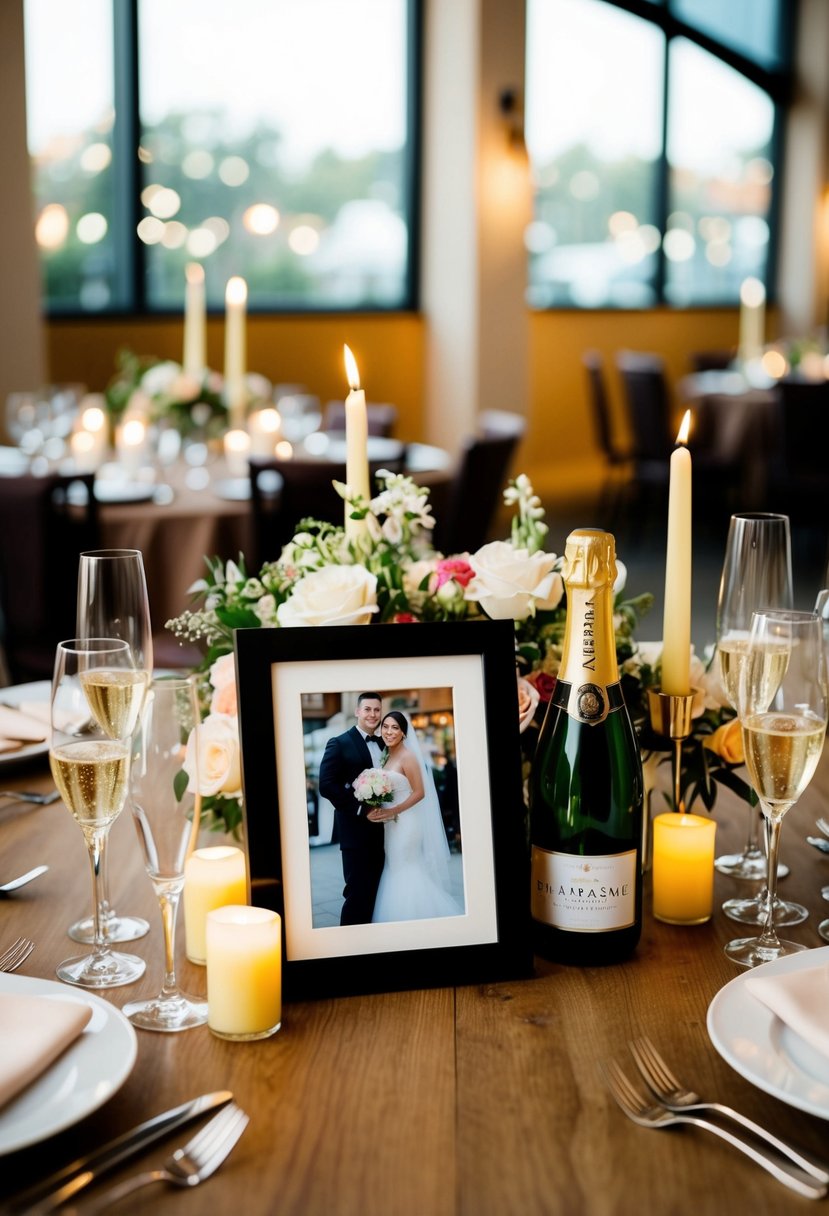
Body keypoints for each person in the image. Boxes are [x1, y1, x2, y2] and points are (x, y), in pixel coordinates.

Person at [367, 711, 463, 923]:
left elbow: (420, 792)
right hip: (391, 824)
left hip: (407, 823)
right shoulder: (387, 754)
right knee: (395, 866)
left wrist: (393, 810)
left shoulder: (407, 756)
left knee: (405, 868)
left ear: (403, 732)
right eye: (386, 726)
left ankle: (415, 918)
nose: (389, 732)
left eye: (395, 728)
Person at [318, 692, 386, 925]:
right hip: (356, 831)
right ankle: (350, 943)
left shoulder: (386, 742)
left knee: (379, 889)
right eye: (367, 709)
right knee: (357, 892)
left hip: (386, 830)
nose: (372, 714)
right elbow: (326, 785)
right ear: (357, 711)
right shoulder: (339, 742)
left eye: (377, 710)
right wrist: (361, 809)